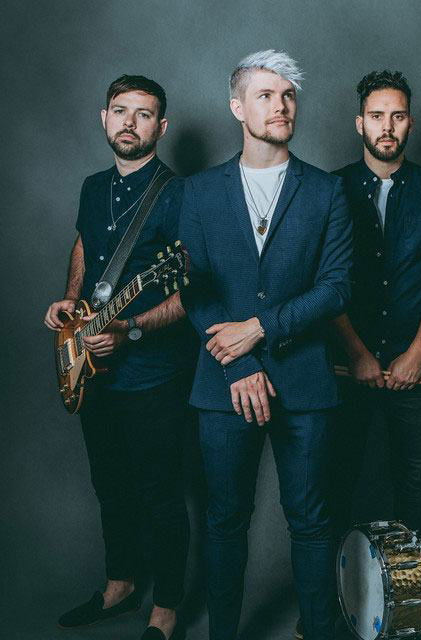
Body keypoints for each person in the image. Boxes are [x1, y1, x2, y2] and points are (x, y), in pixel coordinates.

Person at [178, 50, 352, 640]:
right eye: (265, 95)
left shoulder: (326, 191)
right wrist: (239, 364)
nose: (280, 106)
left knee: (311, 521)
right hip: (223, 382)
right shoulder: (199, 192)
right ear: (237, 107)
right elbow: (193, 288)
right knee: (225, 521)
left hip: (305, 379)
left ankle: (319, 629)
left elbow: (336, 288)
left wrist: (260, 327)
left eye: (288, 96)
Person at [44, 75, 194, 640]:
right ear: (103, 117)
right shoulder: (92, 186)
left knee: (160, 491)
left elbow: (191, 290)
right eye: (120, 110)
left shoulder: (179, 194)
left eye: (144, 114)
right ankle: (120, 584)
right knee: (110, 484)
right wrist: (71, 303)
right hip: (90, 365)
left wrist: (130, 329)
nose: (130, 122)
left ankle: (167, 607)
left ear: (162, 126)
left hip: (153, 373)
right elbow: (85, 246)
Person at [331, 70, 421, 638]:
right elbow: (325, 281)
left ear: (410, 122)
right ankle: (327, 608)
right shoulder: (329, 189)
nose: (387, 126)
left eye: (398, 115)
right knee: (337, 481)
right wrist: (359, 353)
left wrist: (415, 355)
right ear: (359, 122)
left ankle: (417, 610)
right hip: (346, 363)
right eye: (377, 115)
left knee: (416, 485)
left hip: (417, 364)